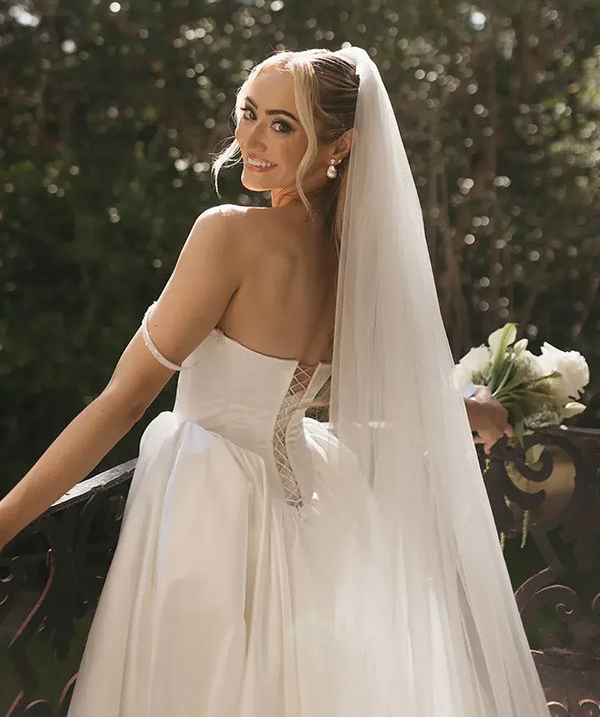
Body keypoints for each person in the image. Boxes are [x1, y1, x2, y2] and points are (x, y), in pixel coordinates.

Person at [0, 46, 549, 716]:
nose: (251, 139)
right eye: (249, 113)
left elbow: (124, 401)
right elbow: (342, 394)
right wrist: (470, 408)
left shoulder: (229, 235)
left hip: (211, 512)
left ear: (340, 145)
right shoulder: (353, 264)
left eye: (282, 124)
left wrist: (5, 518)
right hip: (317, 513)